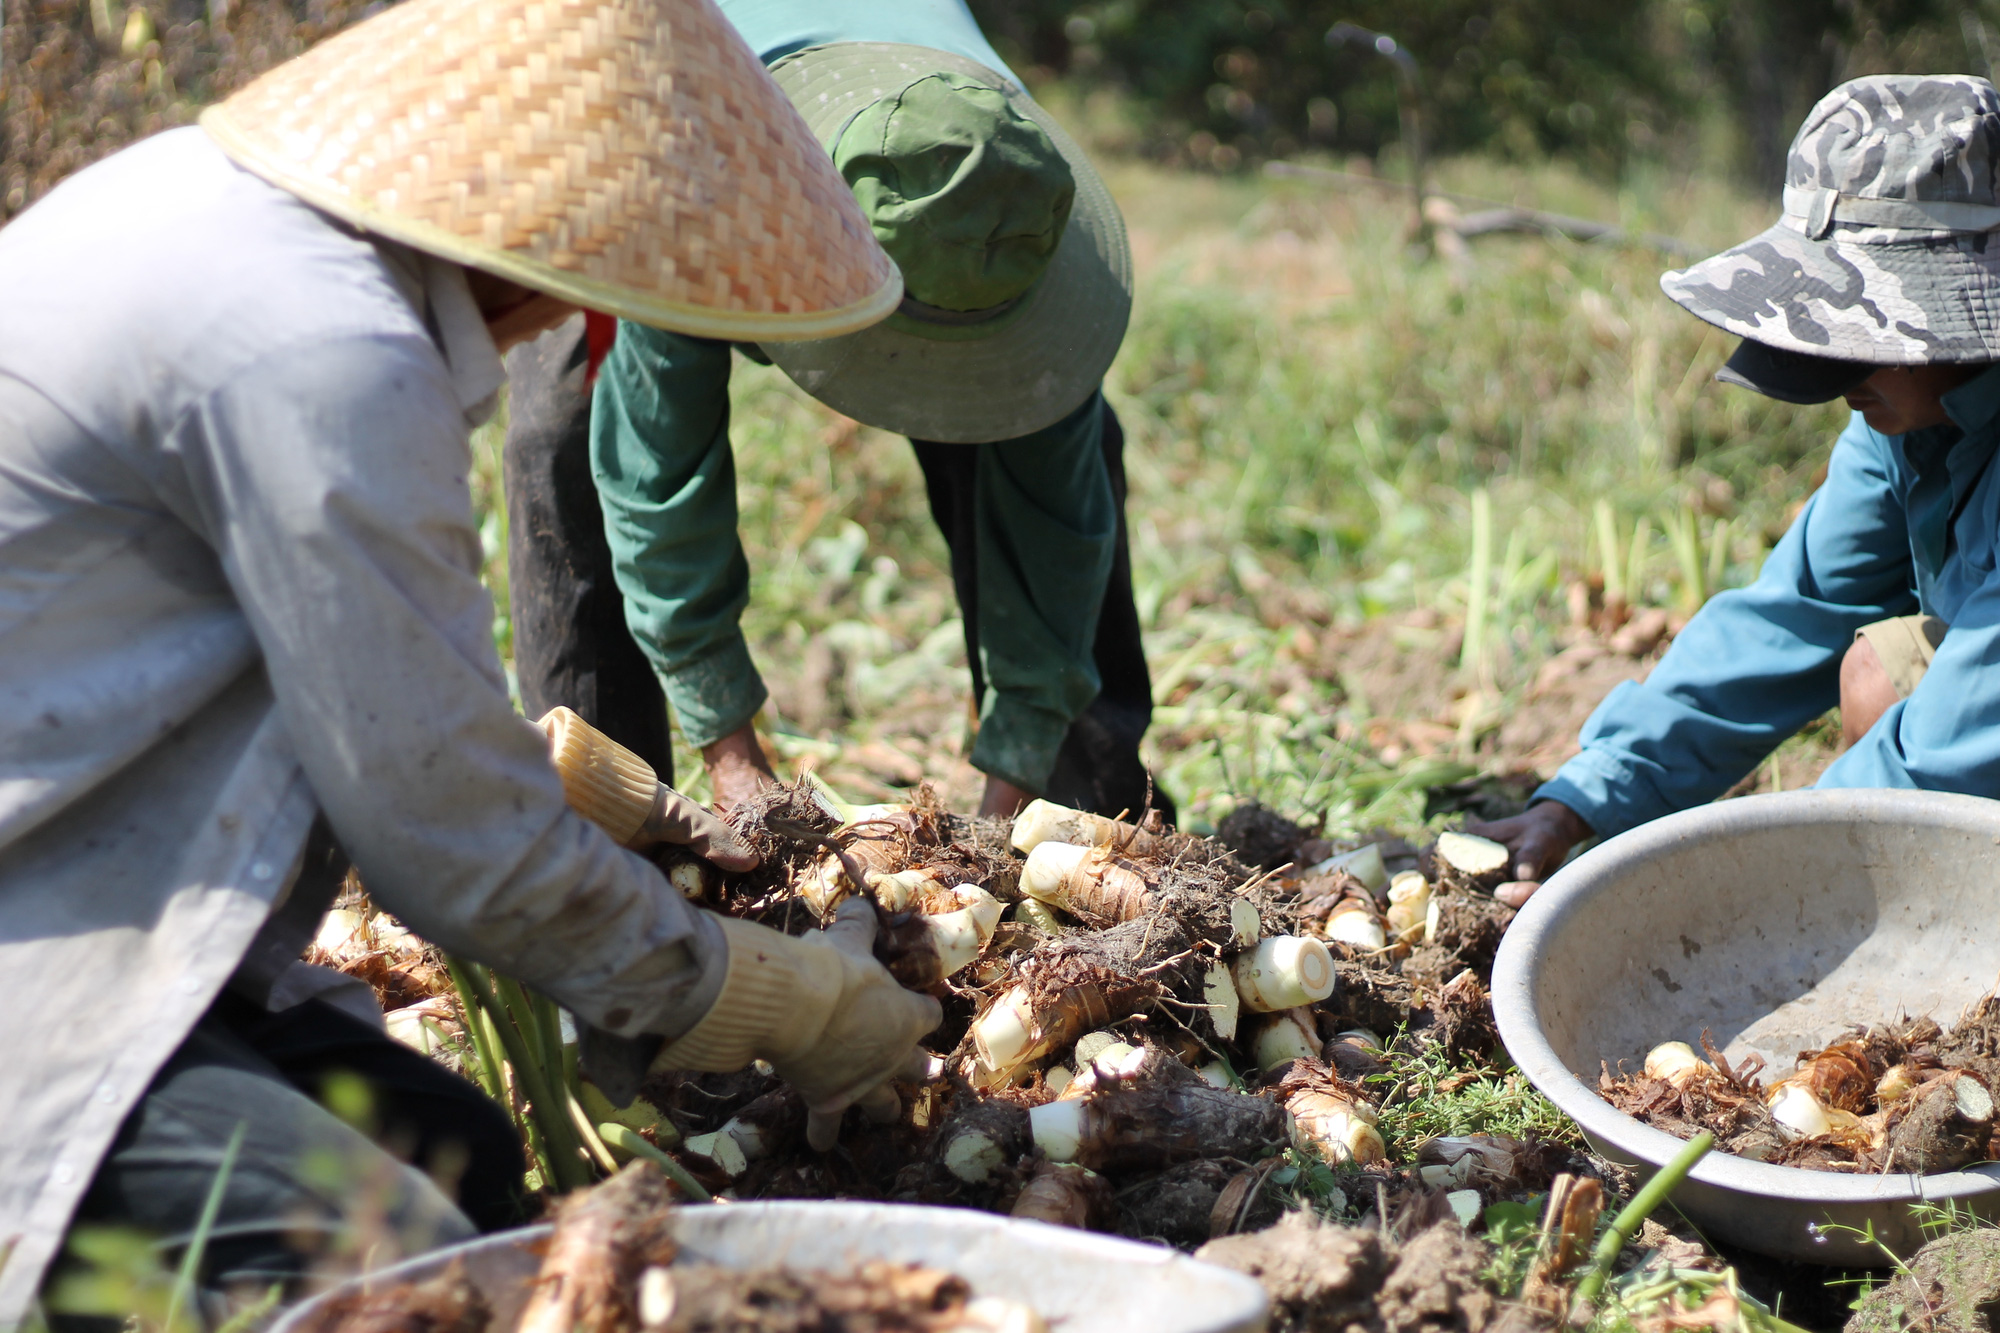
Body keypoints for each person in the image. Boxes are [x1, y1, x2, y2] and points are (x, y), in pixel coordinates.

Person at [0, 0, 941, 1321]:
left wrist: (603, 818)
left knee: (472, 1165)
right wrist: (752, 992)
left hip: (83, 873)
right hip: (38, 945)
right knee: (388, 1267)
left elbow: (372, 703)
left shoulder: (232, 229)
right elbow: (435, 821)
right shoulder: (314, 347)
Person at [502, 0, 1168, 823]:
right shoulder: (695, 175)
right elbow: (657, 474)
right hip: (639, 97)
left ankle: (1086, 801)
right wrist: (736, 762)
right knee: (567, 423)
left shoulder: (1007, 192)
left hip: (894, 106)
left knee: (1048, 416)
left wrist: (1000, 818)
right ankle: (602, 827)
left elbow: (1060, 530)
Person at [1472, 74, 2000, 903]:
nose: (1835, 372)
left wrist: (1744, 903)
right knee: (1881, 670)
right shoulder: (1909, 419)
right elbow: (1796, 613)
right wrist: (1586, 798)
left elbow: (1949, 751)